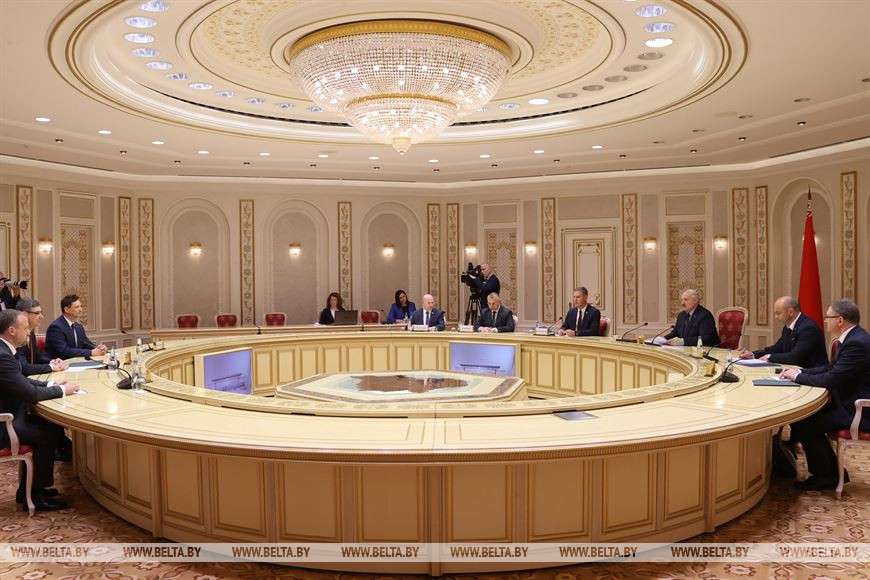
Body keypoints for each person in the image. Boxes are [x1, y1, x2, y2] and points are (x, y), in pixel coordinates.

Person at [780, 299, 870, 491]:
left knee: (804, 423)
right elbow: (830, 368)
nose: (825, 321)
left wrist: (798, 377)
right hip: (845, 401)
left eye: (828, 317)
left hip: (857, 411)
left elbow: (831, 378)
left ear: (840, 320)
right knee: (802, 417)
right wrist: (799, 372)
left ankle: (826, 476)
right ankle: (831, 473)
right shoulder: (853, 337)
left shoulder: (856, 343)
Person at [0, 309, 79, 511]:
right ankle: (36, 495)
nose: (29, 333)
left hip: (12, 415)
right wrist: (63, 390)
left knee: (50, 426)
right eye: (25, 328)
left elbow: (20, 381)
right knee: (46, 434)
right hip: (4, 425)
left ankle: (28, 490)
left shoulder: (5, 350)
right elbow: (29, 393)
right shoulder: (3, 355)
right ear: (11, 330)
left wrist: (50, 384)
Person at [739, 296, 827, 367]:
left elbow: (795, 357)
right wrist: (753, 354)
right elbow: (777, 348)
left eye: (778, 313)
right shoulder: (788, 327)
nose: (776, 317)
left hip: (813, 374)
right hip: (797, 371)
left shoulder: (808, 328)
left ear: (790, 312)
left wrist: (769, 357)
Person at [44, 294, 108, 359]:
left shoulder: (79, 327)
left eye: (81, 306)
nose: (81, 310)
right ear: (66, 309)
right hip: (56, 363)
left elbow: (85, 344)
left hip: (73, 362)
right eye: (77, 307)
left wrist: (98, 348)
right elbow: (64, 352)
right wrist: (91, 352)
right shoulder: (56, 327)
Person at [14, 298, 68, 376]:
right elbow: (24, 368)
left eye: (41, 313)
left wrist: (52, 362)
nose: (41, 317)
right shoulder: (16, 335)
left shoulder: (31, 333)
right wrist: (51, 367)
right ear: (24, 314)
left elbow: (37, 358)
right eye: (37, 313)